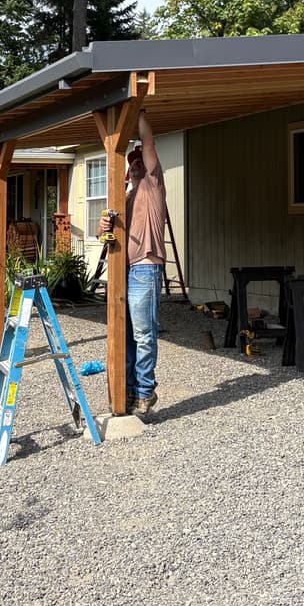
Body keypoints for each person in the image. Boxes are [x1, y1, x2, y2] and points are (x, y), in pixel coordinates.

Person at [124, 108, 167, 419]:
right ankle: (129, 390)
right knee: (126, 335)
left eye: (140, 159)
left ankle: (145, 393)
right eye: (133, 161)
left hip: (145, 268)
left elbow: (149, 140)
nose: (137, 163)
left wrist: (136, 109)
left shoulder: (153, 186)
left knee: (143, 334)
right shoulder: (127, 197)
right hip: (127, 270)